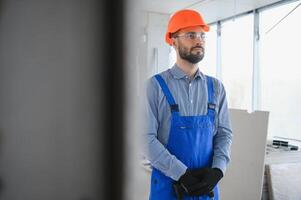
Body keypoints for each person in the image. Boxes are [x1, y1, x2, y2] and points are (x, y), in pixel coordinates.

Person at [144, 9, 233, 200]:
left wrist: (218, 170)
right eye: (191, 35)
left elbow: (224, 134)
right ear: (173, 40)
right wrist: (181, 173)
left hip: (206, 189)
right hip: (168, 188)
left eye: (202, 35)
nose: (199, 40)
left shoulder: (216, 88)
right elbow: (146, 139)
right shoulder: (155, 87)